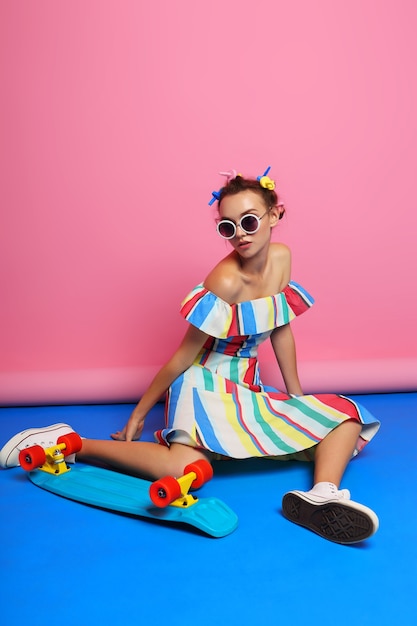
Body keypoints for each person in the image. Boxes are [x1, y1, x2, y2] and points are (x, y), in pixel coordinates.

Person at [0, 168, 380, 544]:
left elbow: (281, 327)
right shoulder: (226, 280)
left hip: (247, 383)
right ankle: (71, 441)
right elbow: (183, 357)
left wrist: (297, 396)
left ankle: (321, 494)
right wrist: (138, 413)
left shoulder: (282, 258)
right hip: (202, 380)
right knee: (186, 466)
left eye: (249, 221)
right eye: (228, 228)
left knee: (345, 417)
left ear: (275, 215)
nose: (240, 235)